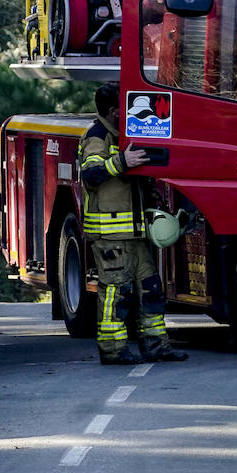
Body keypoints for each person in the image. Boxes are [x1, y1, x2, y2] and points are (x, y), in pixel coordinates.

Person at [78, 82, 189, 365]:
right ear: (115, 111)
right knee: (116, 291)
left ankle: (156, 346)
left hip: (136, 232)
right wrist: (121, 162)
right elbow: (90, 173)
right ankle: (113, 349)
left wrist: (156, 202)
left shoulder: (124, 135)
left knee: (150, 288)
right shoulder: (97, 136)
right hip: (111, 234)